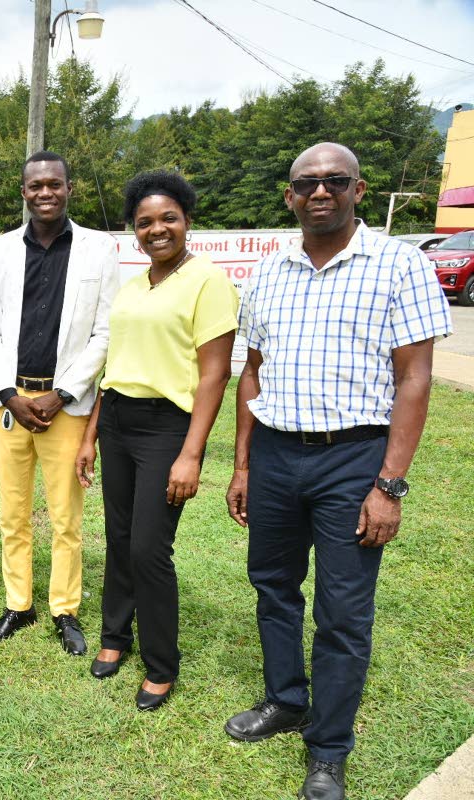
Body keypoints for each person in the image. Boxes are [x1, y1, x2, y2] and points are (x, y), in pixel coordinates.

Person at [223, 143, 451, 800]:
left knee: (344, 611)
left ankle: (327, 750)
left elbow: (415, 377)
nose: (320, 192)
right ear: (290, 195)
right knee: (272, 586)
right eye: (306, 183)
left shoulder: (399, 266)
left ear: (357, 188)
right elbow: (253, 371)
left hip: (353, 459)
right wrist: (242, 464)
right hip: (274, 452)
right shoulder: (270, 273)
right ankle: (286, 700)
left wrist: (389, 485)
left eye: (334, 181)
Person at [75, 170, 237, 711]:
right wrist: (91, 436)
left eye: (168, 217)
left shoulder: (208, 281)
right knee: (118, 539)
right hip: (118, 419)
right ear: (134, 232)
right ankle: (115, 637)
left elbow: (215, 375)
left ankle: (161, 663)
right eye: (144, 222)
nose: (157, 229)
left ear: (188, 219)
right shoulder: (133, 285)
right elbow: (115, 369)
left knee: (149, 547)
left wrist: (191, 454)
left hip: (167, 427)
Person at [0, 150, 120, 655]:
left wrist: (62, 394)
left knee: (66, 517)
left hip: (66, 405)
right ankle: (19, 604)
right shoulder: (0, 251)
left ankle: (65, 608)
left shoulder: (98, 250)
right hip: (11, 403)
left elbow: (105, 330)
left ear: (68, 188)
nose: (45, 193)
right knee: (12, 513)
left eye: (54, 184)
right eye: (35, 185)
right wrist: (10, 395)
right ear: (23, 192)